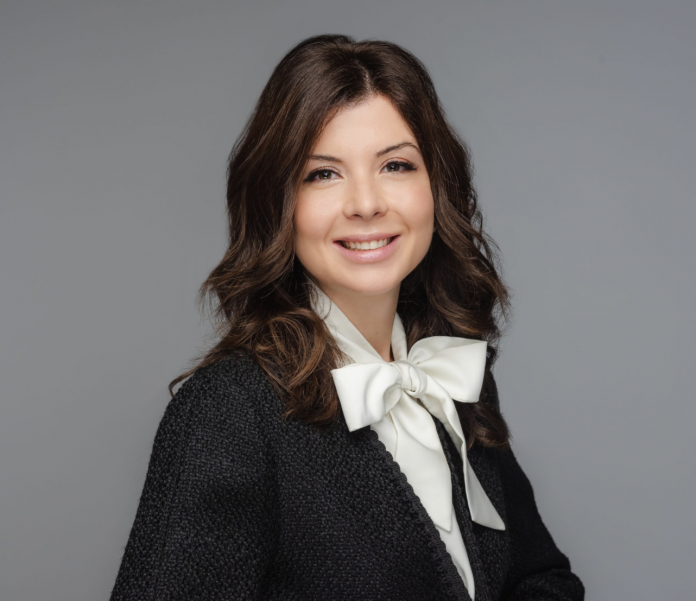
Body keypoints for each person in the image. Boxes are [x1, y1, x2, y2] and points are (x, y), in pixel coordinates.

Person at [109, 34, 585, 601]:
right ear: (278, 203)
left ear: (437, 186)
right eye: (323, 174)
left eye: (396, 165)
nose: (365, 203)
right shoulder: (228, 413)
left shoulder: (448, 377)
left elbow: (541, 579)